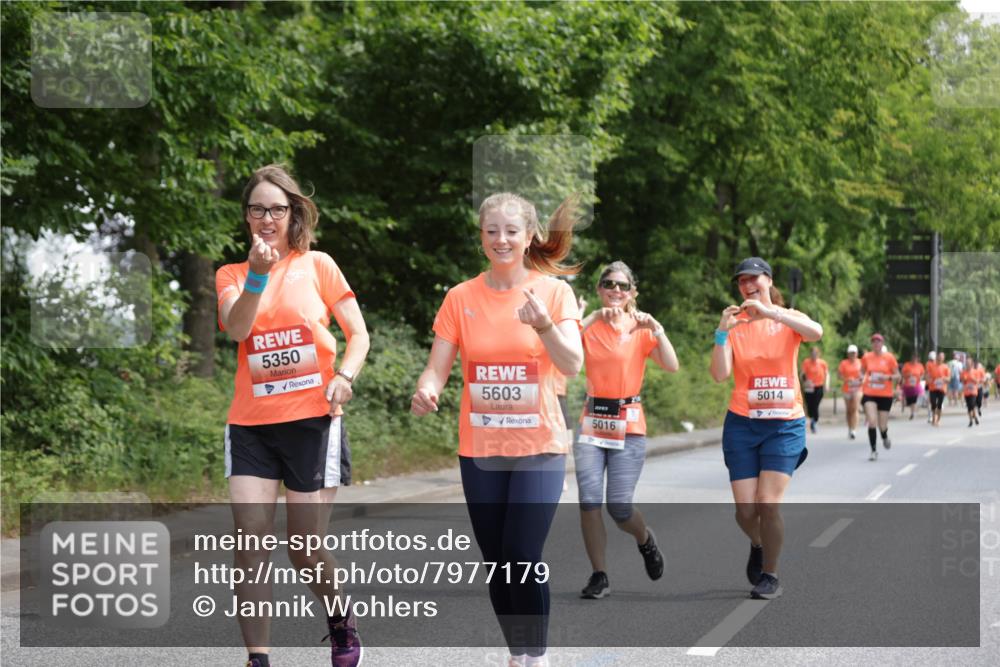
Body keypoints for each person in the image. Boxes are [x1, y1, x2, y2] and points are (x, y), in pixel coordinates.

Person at [411, 192, 584, 667]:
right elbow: (437, 368)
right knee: (499, 564)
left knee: (522, 555)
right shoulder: (460, 297)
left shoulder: (553, 292)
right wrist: (427, 390)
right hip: (481, 449)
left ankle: (535, 655)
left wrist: (546, 326)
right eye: (492, 231)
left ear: (529, 236)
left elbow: (573, 361)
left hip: (539, 447)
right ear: (481, 237)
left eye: (512, 231)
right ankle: (517, 652)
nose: (502, 239)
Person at [216, 165, 371, 667]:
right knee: (249, 546)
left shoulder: (318, 265)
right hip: (252, 426)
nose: (267, 218)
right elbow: (239, 329)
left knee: (304, 550)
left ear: (292, 214)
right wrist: (258, 276)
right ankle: (257, 658)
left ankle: (340, 620)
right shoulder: (232, 275)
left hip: (313, 422)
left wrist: (345, 375)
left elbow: (359, 335)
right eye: (258, 209)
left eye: (277, 209)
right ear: (246, 216)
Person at [710, 257, 822, 600]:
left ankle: (770, 575)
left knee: (767, 504)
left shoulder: (788, 319)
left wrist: (772, 312)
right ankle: (758, 542)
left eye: (754, 279)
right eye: (742, 281)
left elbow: (816, 332)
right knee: (745, 511)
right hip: (742, 422)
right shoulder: (736, 324)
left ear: (768, 281)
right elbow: (720, 374)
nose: (747, 286)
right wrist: (721, 332)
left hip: (784, 423)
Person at [575, 261, 679, 600]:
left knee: (618, 507)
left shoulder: (641, 327)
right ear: (599, 289)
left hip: (629, 423)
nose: (615, 290)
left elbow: (671, 365)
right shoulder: (588, 326)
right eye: (609, 284)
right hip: (593, 420)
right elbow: (566, 355)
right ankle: (599, 575)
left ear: (632, 292)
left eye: (622, 285)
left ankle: (645, 540)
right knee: (589, 501)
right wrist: (587, 317)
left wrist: (658, 329)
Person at [860, 333, 900, 460]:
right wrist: (861, 378)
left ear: (882, 344)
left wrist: (887, 377)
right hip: (869, 393)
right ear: (872, 344)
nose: (876, 344)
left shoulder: (889, 358)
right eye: (874, 342)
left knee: (882, 425)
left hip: (885, 395)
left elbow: (897, 376)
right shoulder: (867, 357)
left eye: (878, 341)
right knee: (872, 421)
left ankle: (884, 436)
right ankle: (873, 450)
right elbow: (862, 373)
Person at [800, 347, 829, 434]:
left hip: (819, 386)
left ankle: (814, 421)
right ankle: (812, 418)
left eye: (816, 354)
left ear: (818, 354)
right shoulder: (806, 362)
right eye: (812, 354)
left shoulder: (822, 363)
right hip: (809, 387)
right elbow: (802, 374)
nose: (814, 355)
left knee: (816, 404)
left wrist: (826, 384)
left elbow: (827, 374)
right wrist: (805, 381)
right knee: (809, 405)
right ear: (810, 354)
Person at [837, 345, 863, 439]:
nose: (852, 354)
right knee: (849, 410)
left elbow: (866, 374)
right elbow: (839, 376)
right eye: (851, 353)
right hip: (847, 388)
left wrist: (860, 379)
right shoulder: (844, 363)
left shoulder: (861, 363)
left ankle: (854, 430)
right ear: (848, 354)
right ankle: (850, 428)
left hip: (858, 388)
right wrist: (847, 379)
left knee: (855, 408)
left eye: (854, 353)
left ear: (857, 353)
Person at [900, 352, 925, 421]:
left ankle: (913, 413)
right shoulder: (907, 365)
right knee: (910, 400)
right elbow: (902, 374)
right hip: (908, 385)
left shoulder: (920, 365)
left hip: (916, 384)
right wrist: (907, 375)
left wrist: (920, 377)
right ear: (911, 358)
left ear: (918, 359)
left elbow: (923, 374)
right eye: (913, 358)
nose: (914, 359)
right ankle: (912, 411)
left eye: (916, 358)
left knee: (917, 397)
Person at [928, 351, 950, 427]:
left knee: (939, 405)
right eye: (939, 357)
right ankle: (934, 418)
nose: (940, 358)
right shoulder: (931, 366)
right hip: (933, 388)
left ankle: (938, 420)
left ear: (943, 358)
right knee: (933, 403)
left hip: (942, 389)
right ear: (937, 357)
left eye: (942, 357)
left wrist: (944, 378)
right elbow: (927, 375)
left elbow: (949, 378)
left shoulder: (946, 367)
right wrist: (929, 379)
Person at [960, 362, 981, 427]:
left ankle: (972, 420)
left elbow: (978, 381)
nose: (968, 366)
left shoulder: (975, 372)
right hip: (966, 392)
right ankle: (973, 419)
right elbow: (961, 381)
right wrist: (964, 379)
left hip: (973, 391)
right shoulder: (963, 372)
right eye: (967, 365)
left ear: (972, 365)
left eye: (969, 365)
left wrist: (972, 378)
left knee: (972, 405)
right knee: (969, 407)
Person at [924, 351, 937, 423]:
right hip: (929, 385)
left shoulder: (937, 364)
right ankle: (930, 416)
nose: (932, 361)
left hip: (935, 386)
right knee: (929, 401)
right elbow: (927, 374)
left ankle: (933, 415)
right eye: (931, 359)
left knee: (933, 402)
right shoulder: (928, 364)